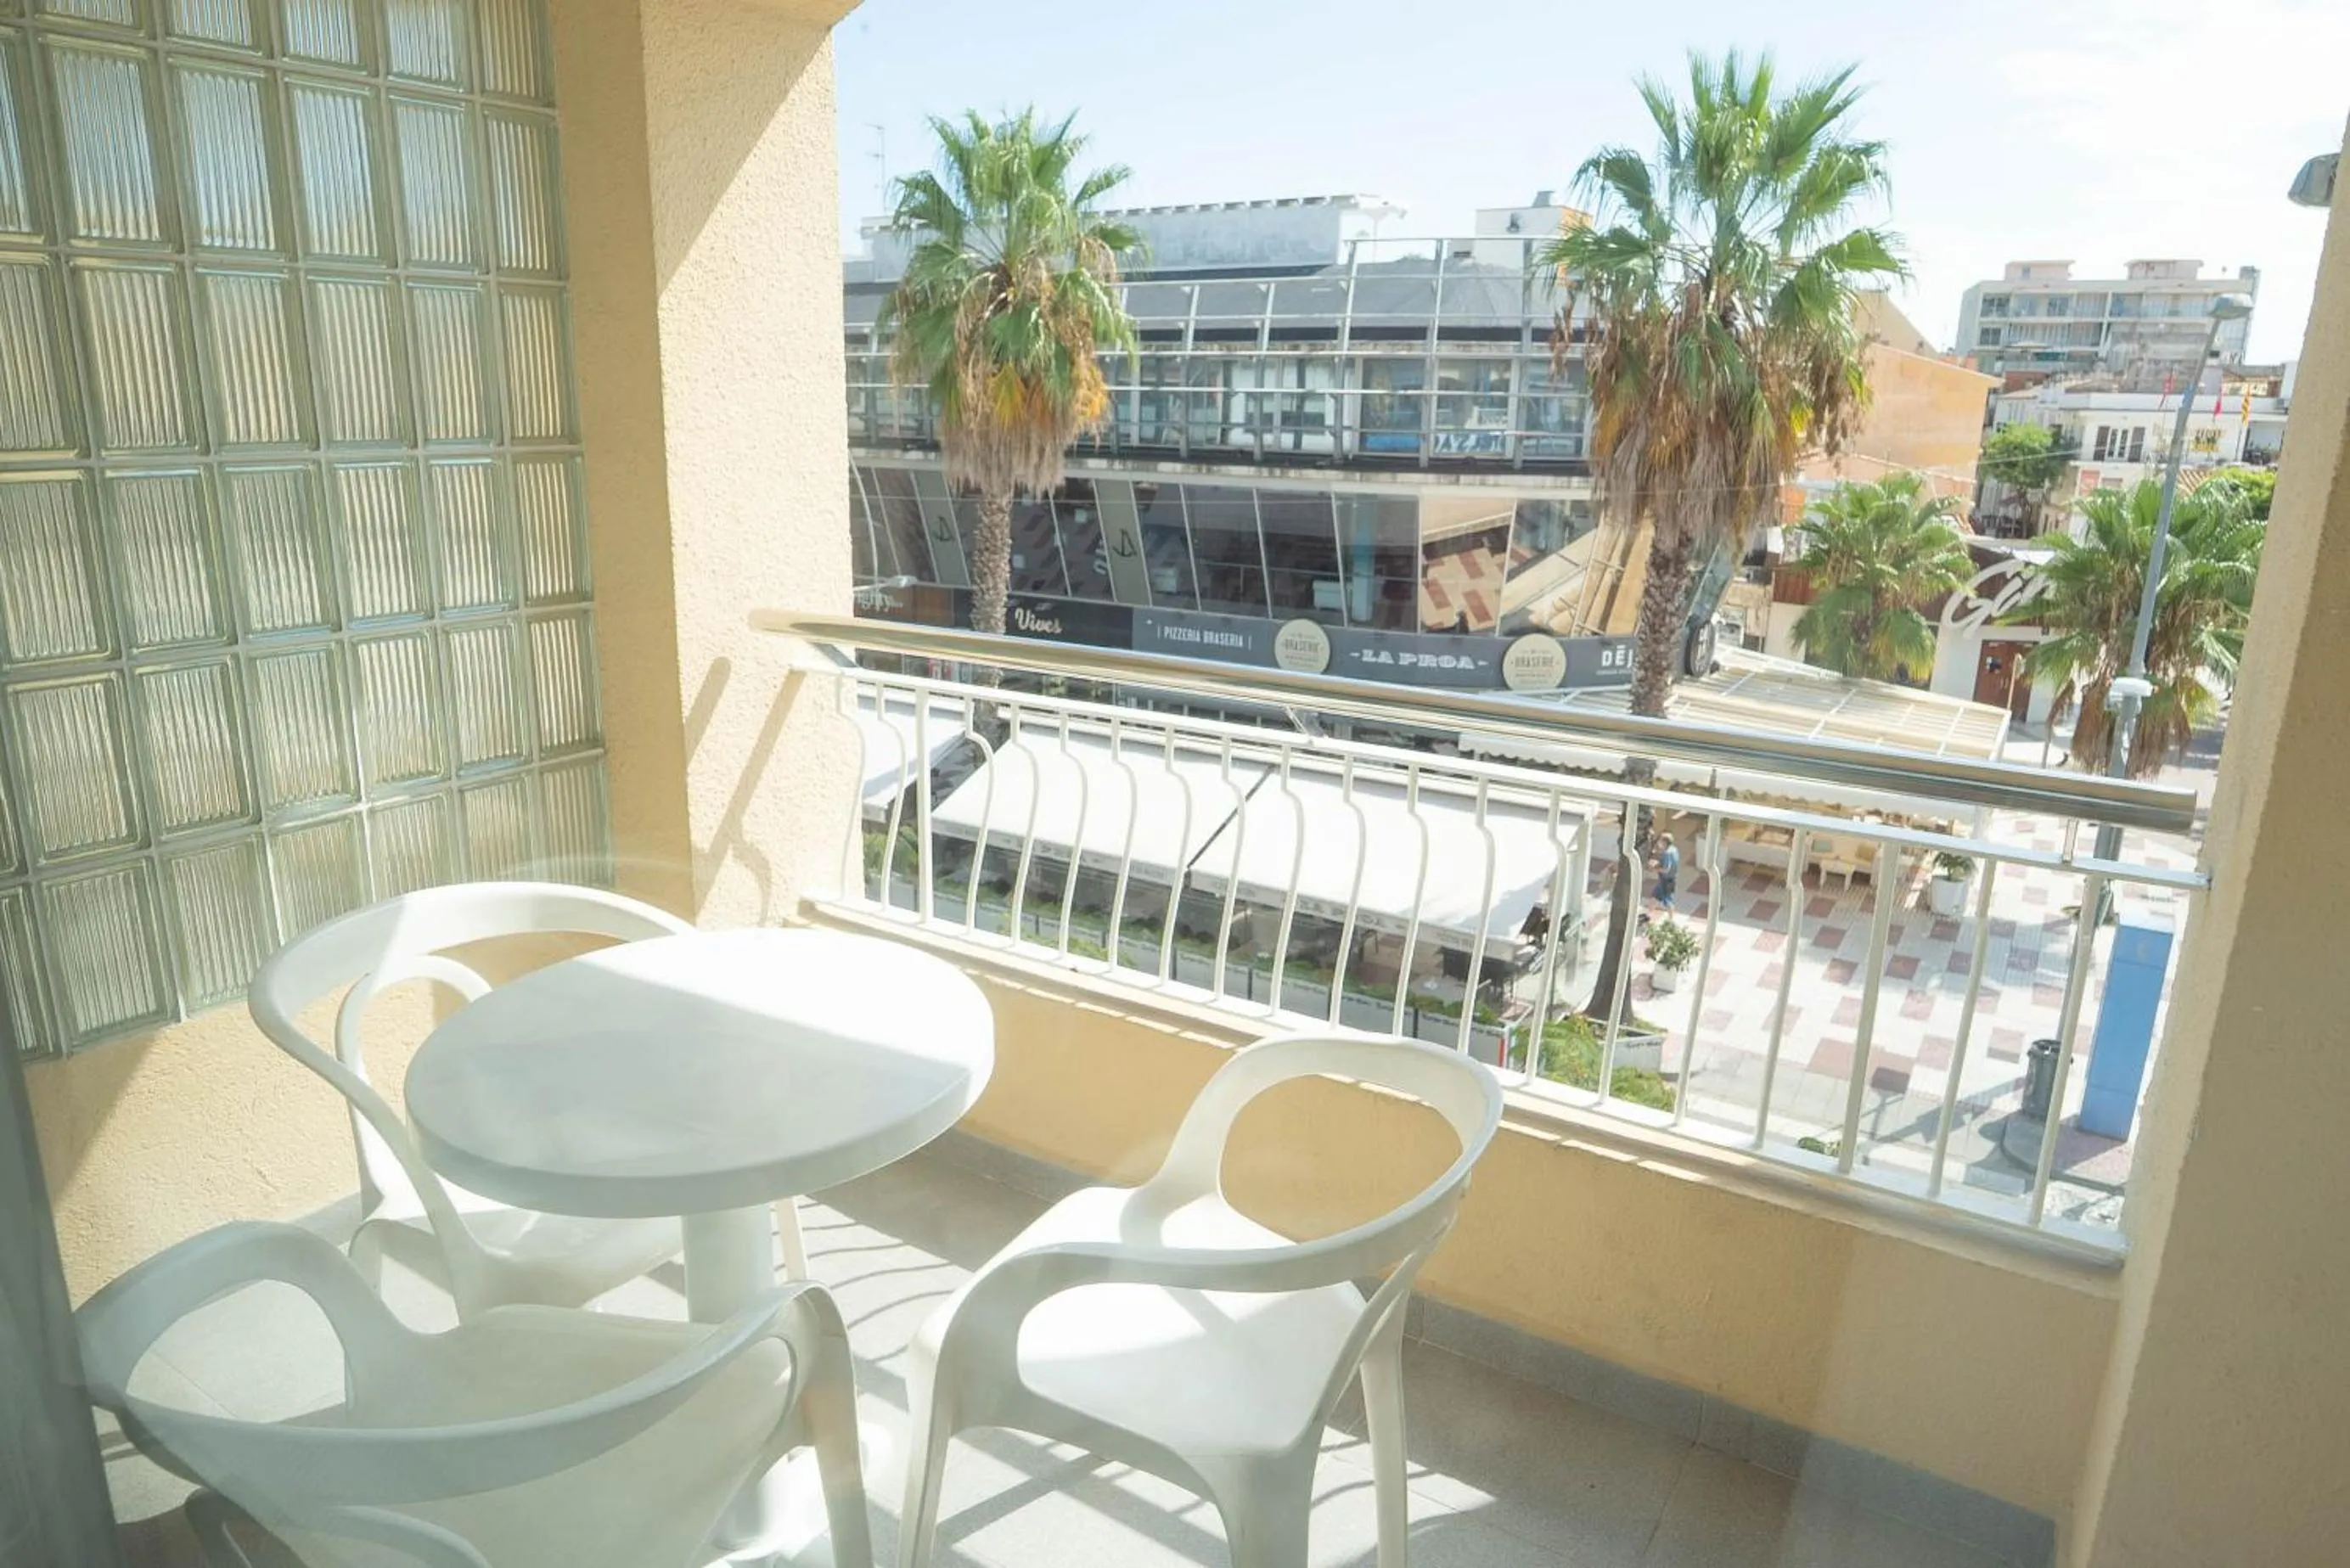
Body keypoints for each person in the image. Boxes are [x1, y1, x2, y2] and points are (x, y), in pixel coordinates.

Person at [1651, 835, 1681, 915]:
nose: (1659, 842)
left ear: (1664, 842)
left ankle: (1671, 920)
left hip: (1666, 881)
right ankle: (1648, 915)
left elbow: (1666, 869)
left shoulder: (1667, 854)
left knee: (1668, 901)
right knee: (1654, 897)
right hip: (1667, 879)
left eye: (1660, 840)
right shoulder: (1674, 850)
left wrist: (1655, 869)